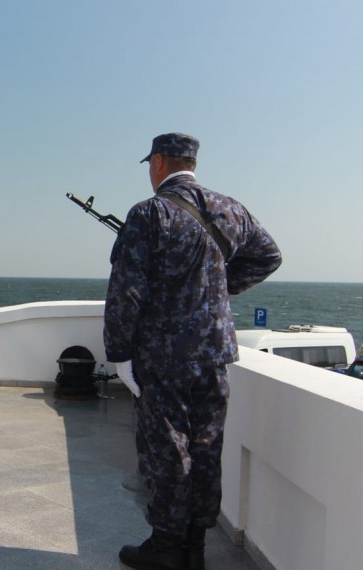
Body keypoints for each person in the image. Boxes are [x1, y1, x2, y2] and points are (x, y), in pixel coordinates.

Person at [104, 133, 282, 570]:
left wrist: (119, 353)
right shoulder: (229, 208)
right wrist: (215, 292)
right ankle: (195, 550)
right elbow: (268, 256)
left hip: (164, 355)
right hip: (215, 351)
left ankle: (167, 549)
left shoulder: (151, 212)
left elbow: (126, 289)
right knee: (205, 447)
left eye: (150, 164)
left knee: (167, 451)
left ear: (160, 161)